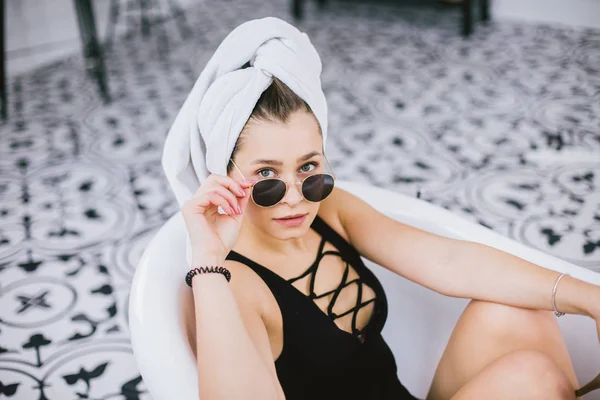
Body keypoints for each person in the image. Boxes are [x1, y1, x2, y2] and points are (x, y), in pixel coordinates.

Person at [163, 17, 600, 400]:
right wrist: (206, 261)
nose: (295, 195)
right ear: (223, 175)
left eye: (309, 167)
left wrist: (591, 297)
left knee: (514, 307)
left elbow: (446, 259)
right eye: (266, 176)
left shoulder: (329, 211)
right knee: (534, 376)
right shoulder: (233, 281)